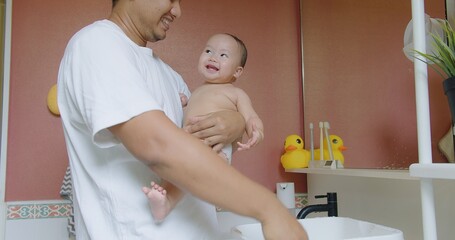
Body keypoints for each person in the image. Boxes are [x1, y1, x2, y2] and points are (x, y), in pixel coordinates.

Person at [57, 0, 308, 239]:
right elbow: (157, 146)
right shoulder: (97, 43)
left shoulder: (170, 76)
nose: (177, 11)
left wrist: (235, 123)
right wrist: (269, 209)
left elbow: (201, 153)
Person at [142, 33, 265, 222]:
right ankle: (166, 202)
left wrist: (257, 132)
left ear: (237, 71)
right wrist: (182, 102)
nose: (213, 57)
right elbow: (190, 114)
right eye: (208, 51)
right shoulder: (196, 91)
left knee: (194, 172)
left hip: (216, 146)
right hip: (192, 144)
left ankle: (214, 195)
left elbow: (250, 117)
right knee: (179, 173)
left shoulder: (236, 93)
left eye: (223, 55)